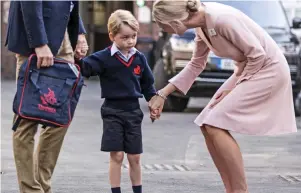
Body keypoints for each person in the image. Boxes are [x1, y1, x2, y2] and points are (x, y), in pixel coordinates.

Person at [149, 0, 298, 192]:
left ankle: (239, 190)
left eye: (162, 25)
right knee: (206, 123)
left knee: (215, 123)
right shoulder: (201, 26)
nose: (163, 29)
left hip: (268, 69)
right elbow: (196, 65)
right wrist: (162, 94)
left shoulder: (221, 19)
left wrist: (232, 89)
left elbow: (258, 56)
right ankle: (231, 189)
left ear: (174, 20)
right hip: (248, 68)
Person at [5, 1, 88, 193]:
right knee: (27, 118)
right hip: (34, 39)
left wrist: (80, 31)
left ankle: (42, 184)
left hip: (63, 36)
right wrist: (39, 43)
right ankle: (31, 189)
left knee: (61, 117)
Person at [76, 9, 156, 193]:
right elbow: (85, 68)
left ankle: (137, 190)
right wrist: (77, 55)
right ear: (112, 36)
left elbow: (148, 85)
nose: (130, 41)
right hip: (112, 112)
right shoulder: (104, 58)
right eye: (125, 37)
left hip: (133, 113)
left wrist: (154, 102)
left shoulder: (140, 59)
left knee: (135, 157)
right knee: (117, 155)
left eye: (133, 36)